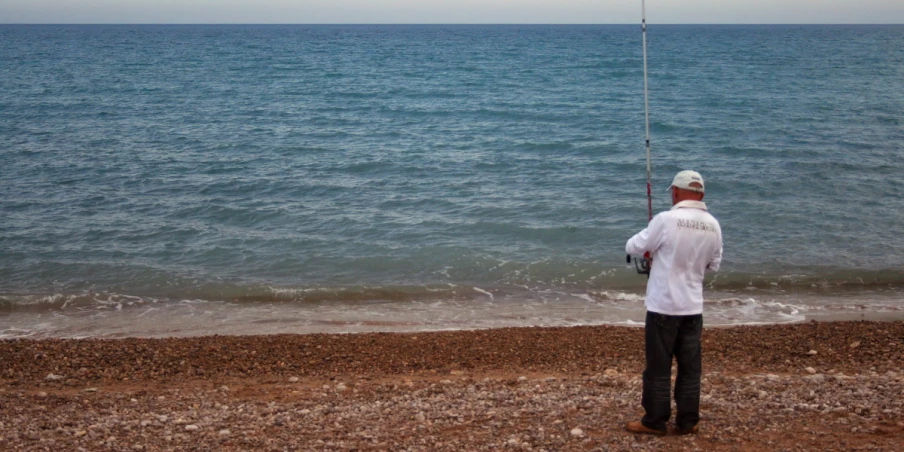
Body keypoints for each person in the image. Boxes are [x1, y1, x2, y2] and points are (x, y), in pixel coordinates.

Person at [624, 170, 723, 436]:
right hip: (693, 309)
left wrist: (647, 250)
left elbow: (635, 245)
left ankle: (655, 421)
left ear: (676, 192)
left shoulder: (665, 220)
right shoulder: (713, 224)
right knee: (690, 368)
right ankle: (688, 421)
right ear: (701, 194)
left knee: (658, 367)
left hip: (663, 308)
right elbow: (713, 265)